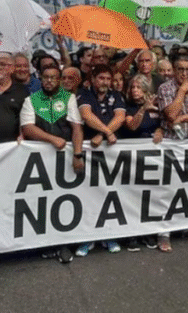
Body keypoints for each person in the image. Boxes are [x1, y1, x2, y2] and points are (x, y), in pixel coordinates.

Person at [18, 64, 84, 262]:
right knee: (42, 201)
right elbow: (28, 128)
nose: (49, 81)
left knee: (64, 200)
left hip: (64, 160)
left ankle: (64, 243)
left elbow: (77, 128)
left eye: (53, 77)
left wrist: (78, 154)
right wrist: (52, 139)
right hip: (40, 161)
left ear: (60, 79)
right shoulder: (31, 100)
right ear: (40, 78)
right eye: (45, 77)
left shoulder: (69, 98)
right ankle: (45, 243)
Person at [154, 55, 188, 251]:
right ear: (174, 70)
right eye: (180, 69)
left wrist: (184, 117)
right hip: (172, 144)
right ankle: (164, 233)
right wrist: (182, 92)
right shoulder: (165, 88)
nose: (184, 73)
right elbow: (170, 114)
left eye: (187, 69)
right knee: (169, 190)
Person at [75, 65, 126, 255]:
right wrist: (106, 132)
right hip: (89, 152)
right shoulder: (84, 93)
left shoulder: (116, 95)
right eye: (101, 78)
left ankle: (109, 236)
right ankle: (87, 239)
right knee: (88, 195)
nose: (105, 82)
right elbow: (86, 116)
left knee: (110, 195)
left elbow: (120, 117)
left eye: (108, 78)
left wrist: (102, 136)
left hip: (110, 153)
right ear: (93, 78)